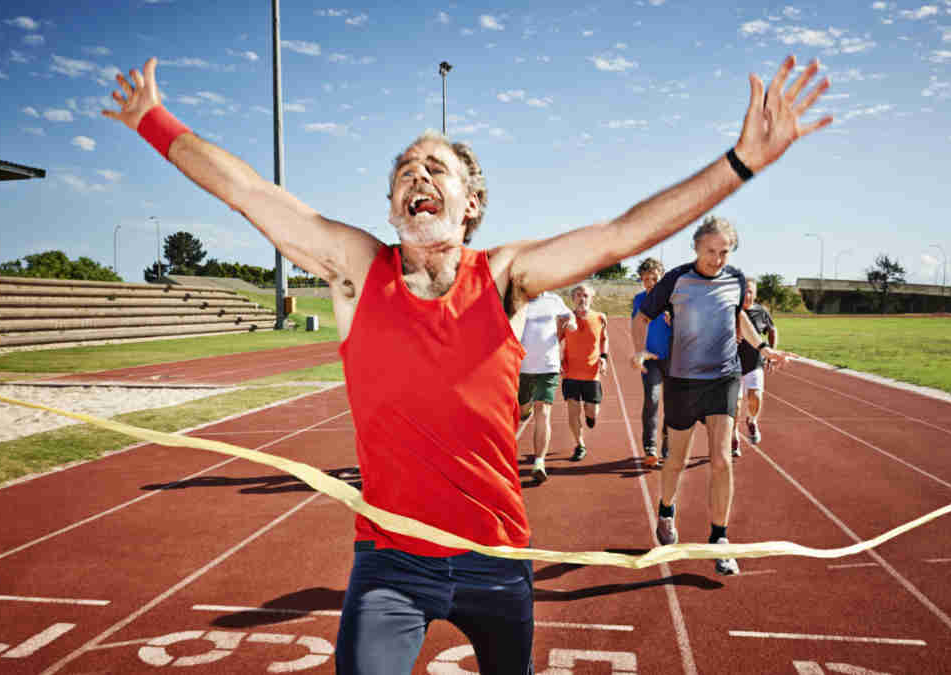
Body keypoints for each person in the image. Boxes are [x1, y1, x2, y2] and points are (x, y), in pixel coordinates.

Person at [104, 54, 830, 674]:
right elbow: (251, 194)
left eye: (435, 167)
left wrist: (740, 164)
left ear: (469, 203)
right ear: (394, 206)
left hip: (497, 560)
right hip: (391, 565)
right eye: (404, 170)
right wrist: (153, 121)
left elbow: (619, 235)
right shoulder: (357, 269)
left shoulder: (506, 277)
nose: (417, 174)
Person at [631, 216, 799, 576]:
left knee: (721, 459)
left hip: (724, 378)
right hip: (682, 381)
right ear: (696, 247)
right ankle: (666, 509)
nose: (717, 259)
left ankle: (720, 538)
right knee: (675, 459)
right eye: (711, 251)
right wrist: (638, 350)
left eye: (724, 252)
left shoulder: (735, 280)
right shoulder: (676, 280)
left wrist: (763, 349)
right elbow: (642, 318)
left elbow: (740, 318)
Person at [517, 291, 575, 483]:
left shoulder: (554, 299)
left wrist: (571, 323)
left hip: (548, 365)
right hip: (521, 366)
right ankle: (525, 409)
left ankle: (539, 462)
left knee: (543, 413)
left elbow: (569, 315)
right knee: (523, 410)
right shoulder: (516, 298)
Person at [559, 282, 608, 461]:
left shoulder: (600, 317)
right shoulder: (565, 319)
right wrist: (558, 360)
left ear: (591, 298)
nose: (582, 298)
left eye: (586, 295)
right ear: (573, 298)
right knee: (573, 411)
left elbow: (604, 339)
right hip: (570, 373)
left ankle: (591, 417)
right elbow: (556, 340)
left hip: (591, 373)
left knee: (591, 411)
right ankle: (580, 445)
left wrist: (604, 358)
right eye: (579, 295)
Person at [632, 258, 671, 467]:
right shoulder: (639, 300)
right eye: (646, 279)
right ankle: (650, 447)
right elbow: (635, 326)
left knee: (672, 404)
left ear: (661, 278)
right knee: (653, 399)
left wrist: (675, 321)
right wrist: (640, 351)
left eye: (654, 278)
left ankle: (667, 446)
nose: (650, 282)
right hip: (651, 359)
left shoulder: (673, 299)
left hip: (673, 358)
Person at [735, 277, 777, 455]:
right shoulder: (731, 311)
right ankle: (733, 436)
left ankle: (752, 421)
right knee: (734, 406)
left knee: (755, 398)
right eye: (744, 291)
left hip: (754, 364)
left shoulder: (762, 312)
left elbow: (773, 330)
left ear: (755, 294)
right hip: (732, 367)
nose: (747, 295)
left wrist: (772, 354)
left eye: (750, 291)